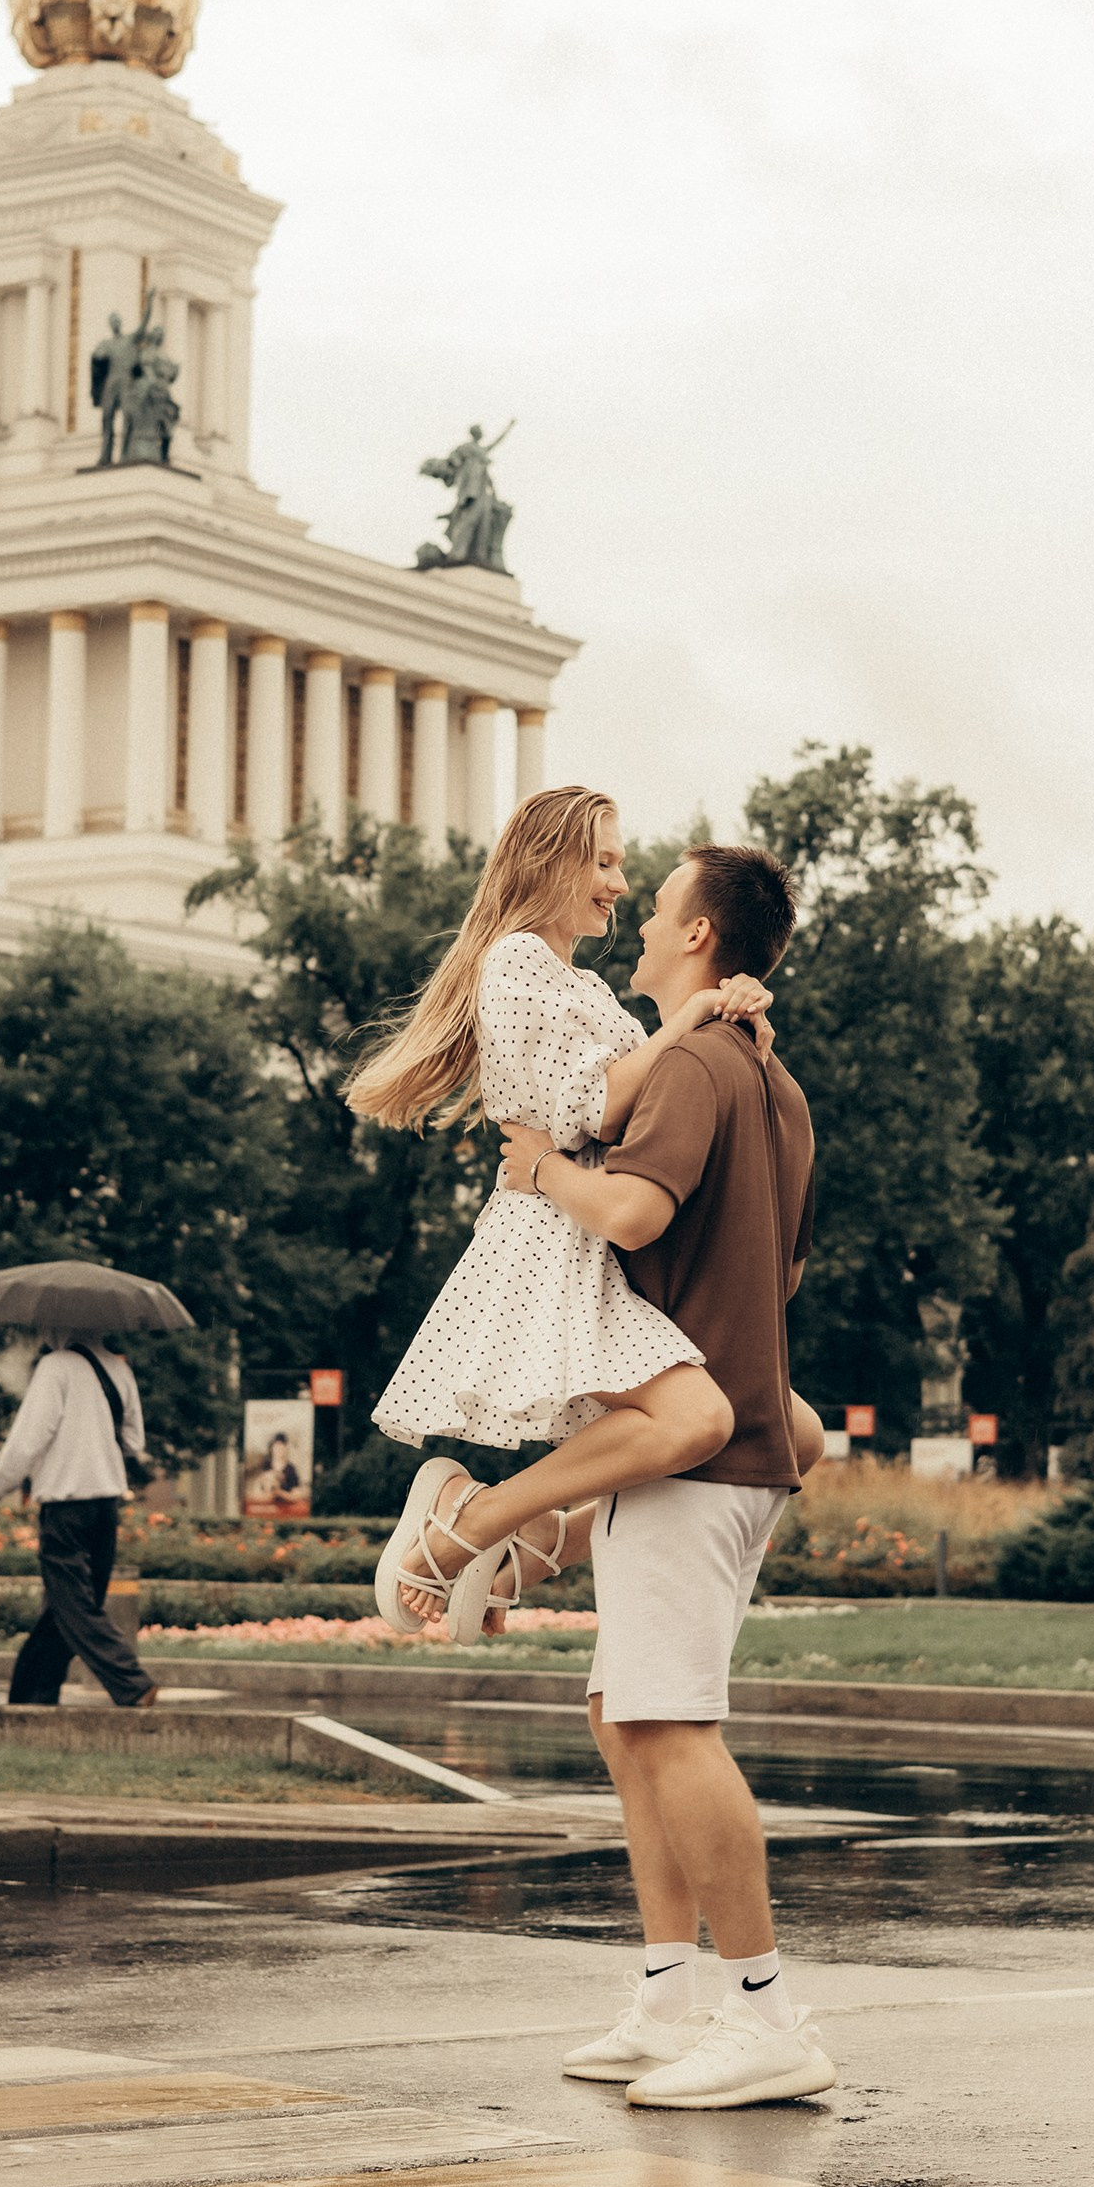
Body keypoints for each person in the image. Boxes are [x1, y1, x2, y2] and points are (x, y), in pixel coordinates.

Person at [440, 841, 837, 2110]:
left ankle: (765, 2010)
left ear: (702, 940)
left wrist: (540, 1168)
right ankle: (672, 1992)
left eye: (660, 907)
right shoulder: (774, 1081)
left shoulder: (698, 1068)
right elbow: (773, 1275)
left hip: (694, 1450)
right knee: (625, 1716)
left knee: (670, 1725)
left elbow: (637, 1215)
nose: (642, 920)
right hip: (725, 1447)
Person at [352, 787, 771, 1634]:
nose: (619, 883)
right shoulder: (514, 962)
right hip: (558, 1235)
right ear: (552, 862)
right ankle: (470, 1524)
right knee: (695, 1421)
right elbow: (599, 1108)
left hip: (581, 1224)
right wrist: (691, 1019)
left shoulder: (568, 977)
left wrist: (732, 1016)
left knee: (763, 1424)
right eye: (605, 861)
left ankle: (527, 1541)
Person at [0, 1331, 160, 1710]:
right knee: (65, 1608)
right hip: (106, 1504)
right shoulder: (119, 1368)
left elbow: (28, 1440)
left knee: (74, 1605)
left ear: (60, 1323)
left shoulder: (54, 1367)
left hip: (65, 1505)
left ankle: (131, 1682)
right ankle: (31, 1697)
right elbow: (134, 1442)